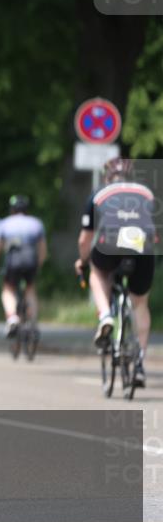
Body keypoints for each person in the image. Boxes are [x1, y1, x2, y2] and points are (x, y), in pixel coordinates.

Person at [74, 158, 154, 388]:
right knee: (140, 304)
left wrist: (83, 261)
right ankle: (139, 364)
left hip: (109, 243)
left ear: (107, 177)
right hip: (142, 246)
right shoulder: (147, 194)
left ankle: (106, 316)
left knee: (97, 272)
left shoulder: (99, 193)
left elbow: (84, 239)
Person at [0, 195, 47, 339]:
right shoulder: (36, 223)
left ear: (12, 209)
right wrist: (39, 265)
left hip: (13, 260)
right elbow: (42, 249)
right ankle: (33, 323)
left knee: (8, 289)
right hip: (30, 258)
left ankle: (12, 318)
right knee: (30, 288)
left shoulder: (4, 223)